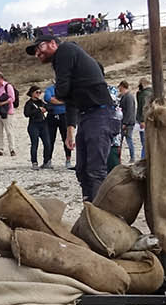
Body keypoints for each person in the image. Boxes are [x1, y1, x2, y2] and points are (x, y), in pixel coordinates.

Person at [29, 28, 118, 199]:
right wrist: (70, 130)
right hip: (88, 116)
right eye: (35, 52)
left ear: (53, 43)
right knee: (82, 170)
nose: (37, 53)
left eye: (40, 47)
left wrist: (57, 95)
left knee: (95, 171)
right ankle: (89, 206)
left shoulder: (66, 50)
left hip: (100, 113)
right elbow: (70, 99)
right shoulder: (67, 60)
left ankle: (98, 211)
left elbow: (62, 91)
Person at [0, 72, 18, 157]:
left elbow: (12, 98)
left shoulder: (7, 86)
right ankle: (0, 149)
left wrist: (3, 103)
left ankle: (12, 149)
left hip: (7, 112)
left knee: (9, 131)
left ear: (0, 78)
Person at [23, 85, 51, 167]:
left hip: (43, 124)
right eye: (37, 92)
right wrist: (38, 110)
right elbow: (26, 114)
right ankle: (34, 162)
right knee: (35, 144)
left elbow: (48, 107)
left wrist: (46, 109)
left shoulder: (40, 102)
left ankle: (46, 161)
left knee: (47, 143)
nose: (38, 94)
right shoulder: (29, 103)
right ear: (32, 93)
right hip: (34, 124)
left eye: (40, 92)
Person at [118, 81, 140, 162]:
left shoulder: (128, 97)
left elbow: (129, 111)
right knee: (123, 140)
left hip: (128, 123)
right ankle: (121, 158)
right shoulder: (125, 96)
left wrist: (125, 123)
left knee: (128, 140)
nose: (119, 89)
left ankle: (132, 157)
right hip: (127, 122)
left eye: (120, 87)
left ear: (122, 86)